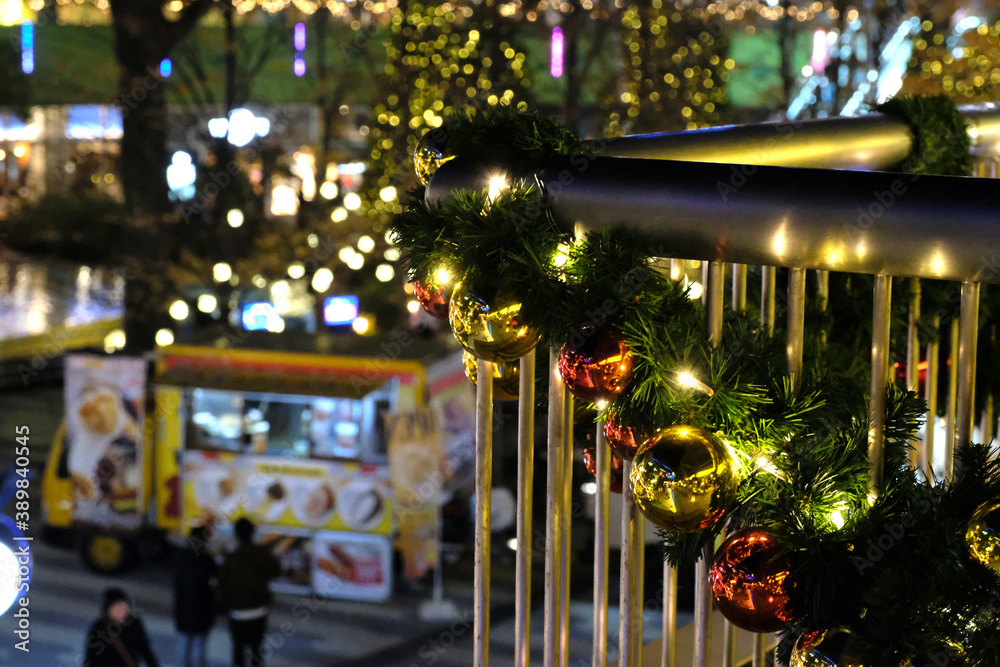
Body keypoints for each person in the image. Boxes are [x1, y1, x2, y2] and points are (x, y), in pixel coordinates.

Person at [218, 518, 281, 667]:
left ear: (236, 534)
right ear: (253, 533)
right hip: (259, 610)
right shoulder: (261, 553)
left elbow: (222, 586)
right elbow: (276, 570)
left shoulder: (231, 558)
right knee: (256, 651)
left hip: (237, 613)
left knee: (238, 651)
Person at [173, 525, 217, 667]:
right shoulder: (206, 560)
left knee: (183, 646)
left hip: (183, 608)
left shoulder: (180, 558)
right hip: (202, 610)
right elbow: (215, 579)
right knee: (200, 647)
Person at [84, 587, 160, 667]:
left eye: (124, 607)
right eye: (117, 608)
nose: (122, 611)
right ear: (108, 610)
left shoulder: (133, 624)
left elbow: (145, 650)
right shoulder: (99, 629)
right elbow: (91, 658)